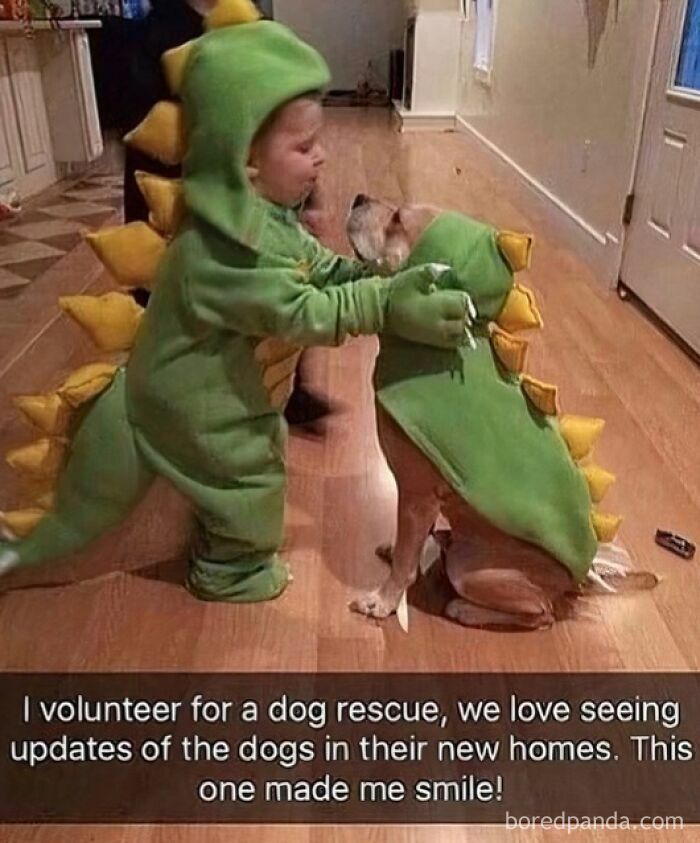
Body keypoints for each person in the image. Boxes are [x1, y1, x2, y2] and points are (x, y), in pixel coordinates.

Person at [0, 5, 469, 604]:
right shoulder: (226, 255)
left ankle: (208, 510)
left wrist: (363, 274)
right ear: (245, 164)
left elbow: (314, 267)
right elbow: (306, 313)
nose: (321, 158)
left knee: (257, 449)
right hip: (185, 403)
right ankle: (230, 568)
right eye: (304, 147)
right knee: (252, 481)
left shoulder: (262, 219)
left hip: (202, 387)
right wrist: (387, 303)